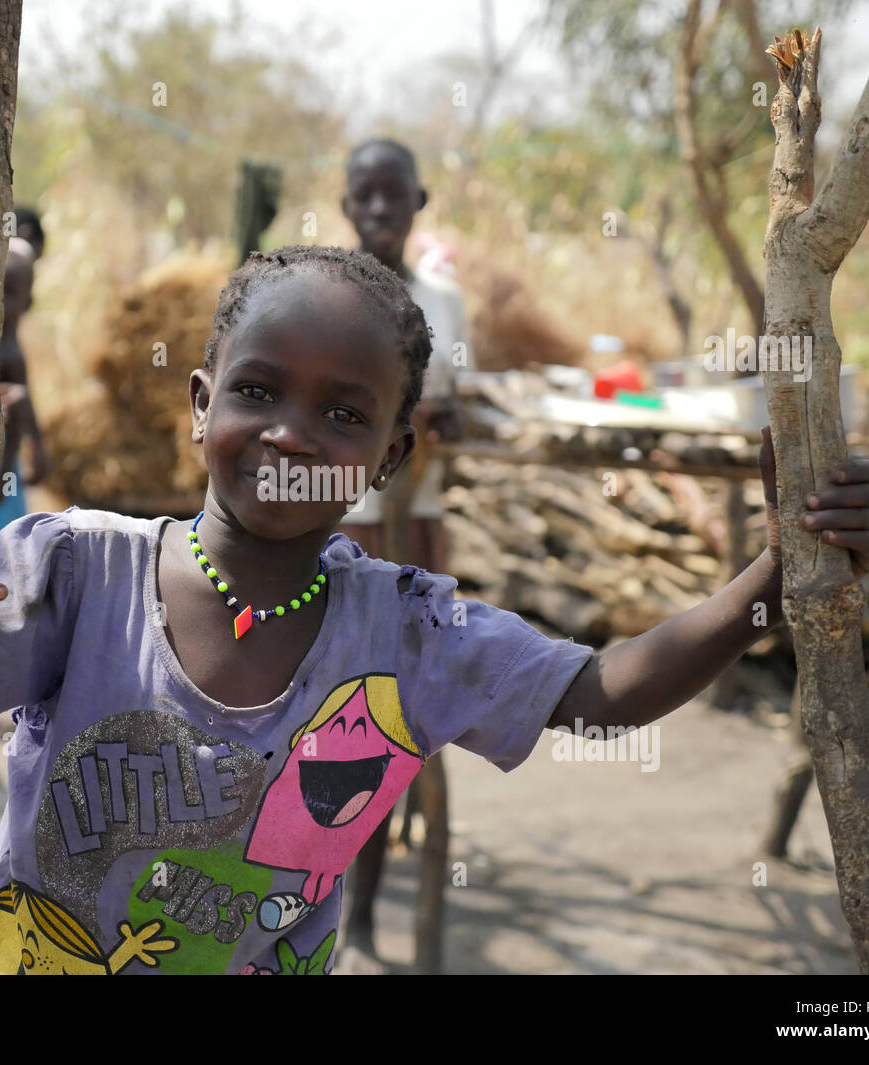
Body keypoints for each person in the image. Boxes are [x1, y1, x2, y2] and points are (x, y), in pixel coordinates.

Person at [0, 245, 869, 975]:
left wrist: (768, 586)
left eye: (342, 412)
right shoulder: (75, 574)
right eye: (257, 392)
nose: (292, 433)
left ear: (393, 453)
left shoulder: (407, 630)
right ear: (201, 403)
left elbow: (600, 694)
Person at [337, 138, 472, 970]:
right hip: (335, 533)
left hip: (412, 528)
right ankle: (321, 918)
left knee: (397, 722)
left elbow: (456, 401)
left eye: (395, 197)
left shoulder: (445, 305)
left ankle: (363, 922)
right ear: (347, 204)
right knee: (324, 723)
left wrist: (445, 419)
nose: (380, 212)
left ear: (418, 202)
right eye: (365, 197)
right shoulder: (326, 296)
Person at [0, 237, 49, 539]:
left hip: (5, 471)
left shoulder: (11, 350)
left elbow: (26, 402)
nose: (0, 302)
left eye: (10, 293)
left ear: (27, 301)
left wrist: (37, 447)